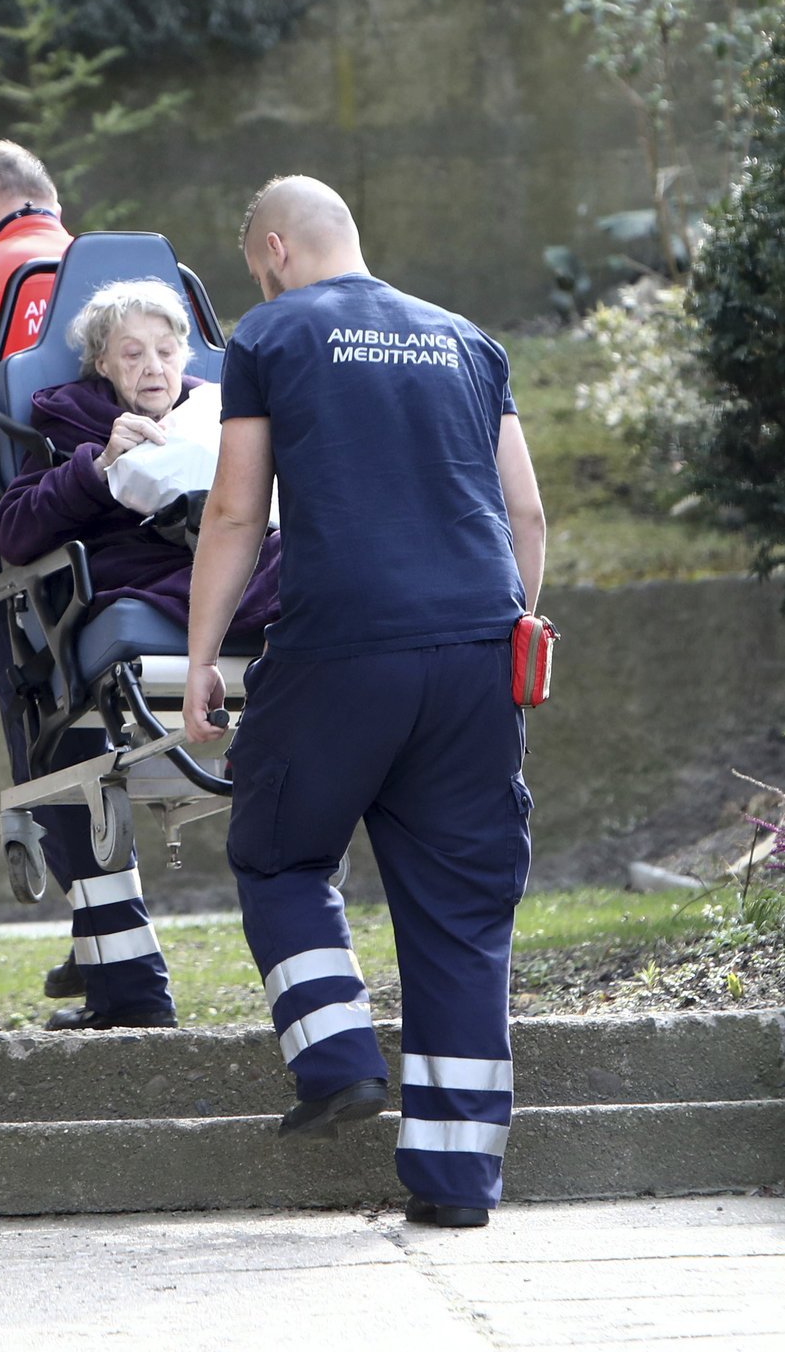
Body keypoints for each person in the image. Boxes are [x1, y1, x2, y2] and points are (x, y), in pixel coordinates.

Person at [184, 175, 546, 1228]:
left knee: (279, 850)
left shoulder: (272, 332)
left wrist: (206, 651)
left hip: (340, 649)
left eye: (257, 261)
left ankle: (335, 1051)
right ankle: (456, 1181)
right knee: (461, 914)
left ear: (275, 246)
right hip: (478, 654)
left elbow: (235, 506)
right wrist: (510, 626)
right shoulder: (467, 340)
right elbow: (523, 509)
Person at [0, 140, 174, 1030]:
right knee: (88, 744)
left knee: (55, 747)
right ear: (51, 205)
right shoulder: (134, 283)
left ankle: (125, 978)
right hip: (176, 561)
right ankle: (102, 953)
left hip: (34, 556)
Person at [0, 277, 280, 635]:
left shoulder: (214, 411)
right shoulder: (72, 420)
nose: (154, 368)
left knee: (312, 549)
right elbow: (12, 534)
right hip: (144, 571)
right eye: (133, 354)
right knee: (294, 569)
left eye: (166, 351)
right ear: (102, 364)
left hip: (229, 552)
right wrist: (98, 469)